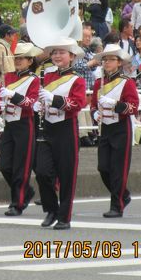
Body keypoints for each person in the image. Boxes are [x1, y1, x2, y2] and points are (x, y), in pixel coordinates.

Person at [35, 37, 87, 230]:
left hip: (66, 128)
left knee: (66, 174)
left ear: (71, 56)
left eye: (61, 52)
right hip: (48, 127)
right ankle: (51, 209)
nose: (57, 56)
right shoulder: (46, 76)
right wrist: (38, 104)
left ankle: (64, 216)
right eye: (54, 52)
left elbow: (77, 104)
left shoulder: (77, 80)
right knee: (42, 171)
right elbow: (42, 100)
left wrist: (54, 99)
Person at [91, 45, 139, 218]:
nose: (107, 62)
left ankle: (116, 206)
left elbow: (133, 107)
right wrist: (95, 113)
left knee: (118, 169)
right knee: (103, 167)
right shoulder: (99, 83)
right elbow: (93, 106)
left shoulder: (127, 82)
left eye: (111, 59)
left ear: (119, 62)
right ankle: (123, 195)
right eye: (105, 59)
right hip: (105, 128)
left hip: (121, 128)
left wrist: (115, 105)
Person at [0, 42, 41, 216]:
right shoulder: (8, 76)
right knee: (3, 164)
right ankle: (26, 192)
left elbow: (30, 103)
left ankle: (18, 202)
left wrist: (12, 95)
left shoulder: (34, 79)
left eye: (22, 58)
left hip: (25, 123)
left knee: (21, 166)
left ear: (30, 61)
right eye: (17, 57)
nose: (18, 61)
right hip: (9, 123)